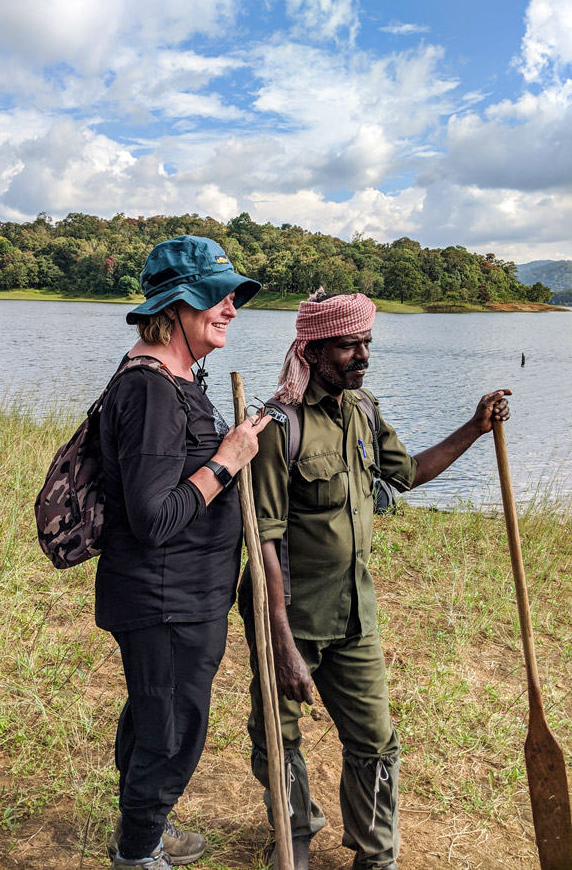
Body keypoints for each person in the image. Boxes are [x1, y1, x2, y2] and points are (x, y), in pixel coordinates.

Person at [239, 290, 510, 870]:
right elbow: (262, 539)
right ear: (312, 350)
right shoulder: (275, 427)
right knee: (277, 736)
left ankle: (375, 854)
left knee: (375, 739)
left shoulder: (362, 410)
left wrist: (474, 427)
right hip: (289, 615)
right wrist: (281, 643)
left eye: (366, 343)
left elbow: (407, 473)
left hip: (353, 612)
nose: (362, 355)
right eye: (348, 345)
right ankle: (298, 837)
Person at [96, 235, 271, 870]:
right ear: (174, 308)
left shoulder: (176, 376)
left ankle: (144, 827)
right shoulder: (149, 389)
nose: (230, 308)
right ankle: (138, 855)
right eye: (214, 297)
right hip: (164, 599)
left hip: (186, 596)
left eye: (232, 297)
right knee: (169, 736)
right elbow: (152, 516)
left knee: (154, 718)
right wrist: (225, 463)